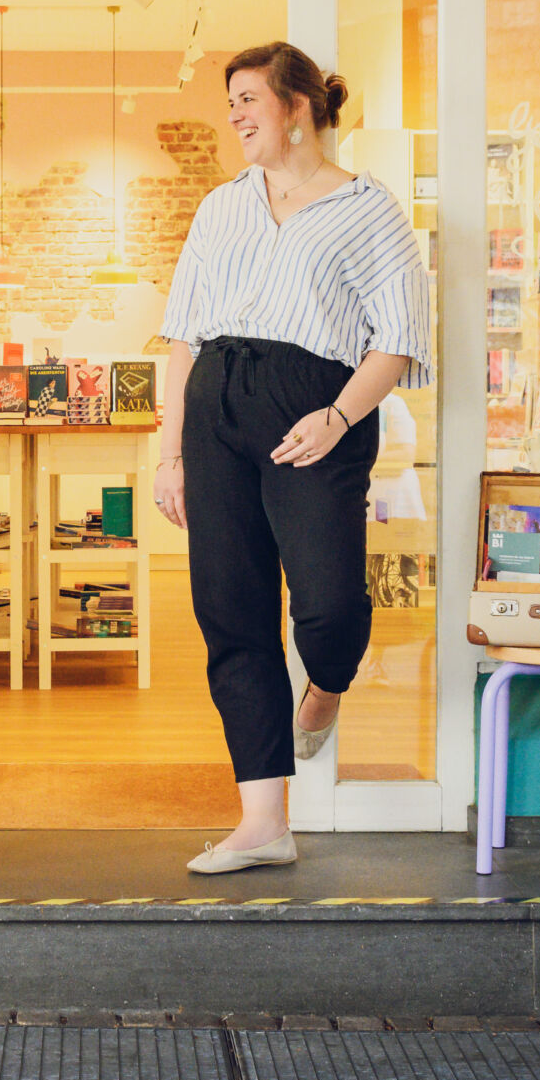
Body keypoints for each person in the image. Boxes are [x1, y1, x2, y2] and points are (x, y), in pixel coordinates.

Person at [153, 42, 432, 873]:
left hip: (317, 408)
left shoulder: (369, 209)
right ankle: (264, 819)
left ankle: (327, 689)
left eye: (248, 99)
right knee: (231, 611)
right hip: (217, 408)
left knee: (331, 603)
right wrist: (171, 453)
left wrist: (339, 417)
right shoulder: (220, 207)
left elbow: (402, 341)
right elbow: (182, 335)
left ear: (298, 109)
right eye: (230, 101)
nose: (235, 115)